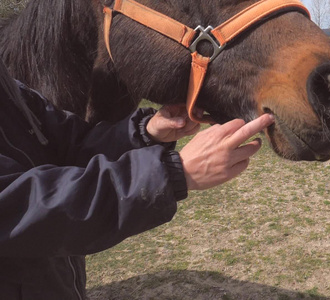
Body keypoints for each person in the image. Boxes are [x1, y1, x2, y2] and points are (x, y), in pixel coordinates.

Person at [0, 59, 274, 299]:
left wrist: (146, 133)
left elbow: (73, 148)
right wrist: (174, 172)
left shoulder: (10, 88)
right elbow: (22, 208)